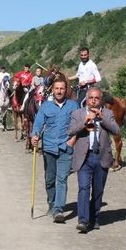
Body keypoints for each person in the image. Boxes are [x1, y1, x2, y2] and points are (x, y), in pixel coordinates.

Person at [68, 87, 119, 233]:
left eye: (96, 98)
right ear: (87, 99)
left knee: (98, 190)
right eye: (91, 98)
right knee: (84, 187)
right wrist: (85, 122)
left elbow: (116, 130)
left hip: (101, 156)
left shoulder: (108, 113)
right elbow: (70, 131)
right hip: (84, 157)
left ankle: (94, 217)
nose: (94, 101)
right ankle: (83, 221)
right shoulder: (78, 113)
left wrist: (102, 118)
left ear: (100, 99)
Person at [31, 78, 80, 223]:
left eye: (62, 88)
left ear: (66, 90)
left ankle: (59, 210)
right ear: (52, 89)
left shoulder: (73, 105)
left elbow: (79, 124)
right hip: (49, 148)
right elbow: (38, 124)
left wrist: (73, 140)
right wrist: (34, 135)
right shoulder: (45, 106)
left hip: (66, 147)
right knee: (49, 180)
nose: (59, 91)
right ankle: (51, 204)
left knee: (62, 179)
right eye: (57, 88)